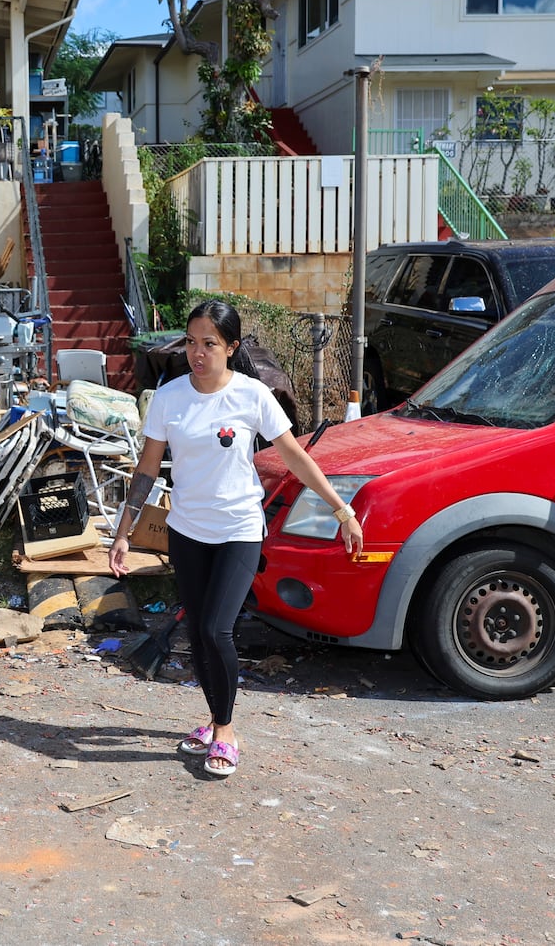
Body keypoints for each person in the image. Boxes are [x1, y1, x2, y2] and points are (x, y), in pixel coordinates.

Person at [108, 300, 363, 778]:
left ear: (231, 347)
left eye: (209, 343)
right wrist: (124, 532)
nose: (197, 353)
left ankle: (225, 732)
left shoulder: (252, 396)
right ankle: (212, 720)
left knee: (215, 631)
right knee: (199, 634)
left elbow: (295, 457)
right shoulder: (169, 397)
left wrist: (341, 508)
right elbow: (146, 470)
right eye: (191, 342)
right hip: (187, 532)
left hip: (239, 530)